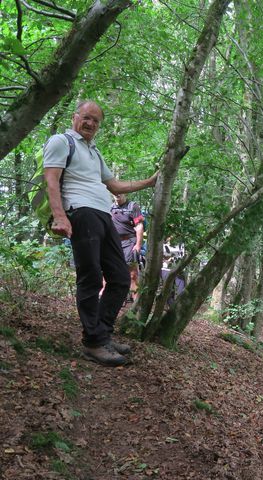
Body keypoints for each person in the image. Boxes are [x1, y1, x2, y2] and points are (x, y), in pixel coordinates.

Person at [44, 100, 157, 367]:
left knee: (119, 277)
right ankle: (93, 342)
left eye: (96, 121)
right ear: (75, 117)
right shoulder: (62, 142)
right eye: (87, 117)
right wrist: (60, 216)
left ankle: (102, 334)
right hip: (81, 212)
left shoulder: (95, 152)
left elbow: (114, 184)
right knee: (91, 276)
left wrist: (150, 181)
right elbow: (50, 178)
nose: (91, 123)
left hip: (104, 216)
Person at [110, 193, 144, 301]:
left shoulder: (133, 206)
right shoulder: (110, 207)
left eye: (120, 191)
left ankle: (136, 303)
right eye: (114, 192)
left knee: (132, 274)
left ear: (125, 193)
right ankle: (114, 299)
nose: (117, 194)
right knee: (110, 272)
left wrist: (138, 244)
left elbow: (139, 226)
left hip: (129, 242)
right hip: (113, 244)